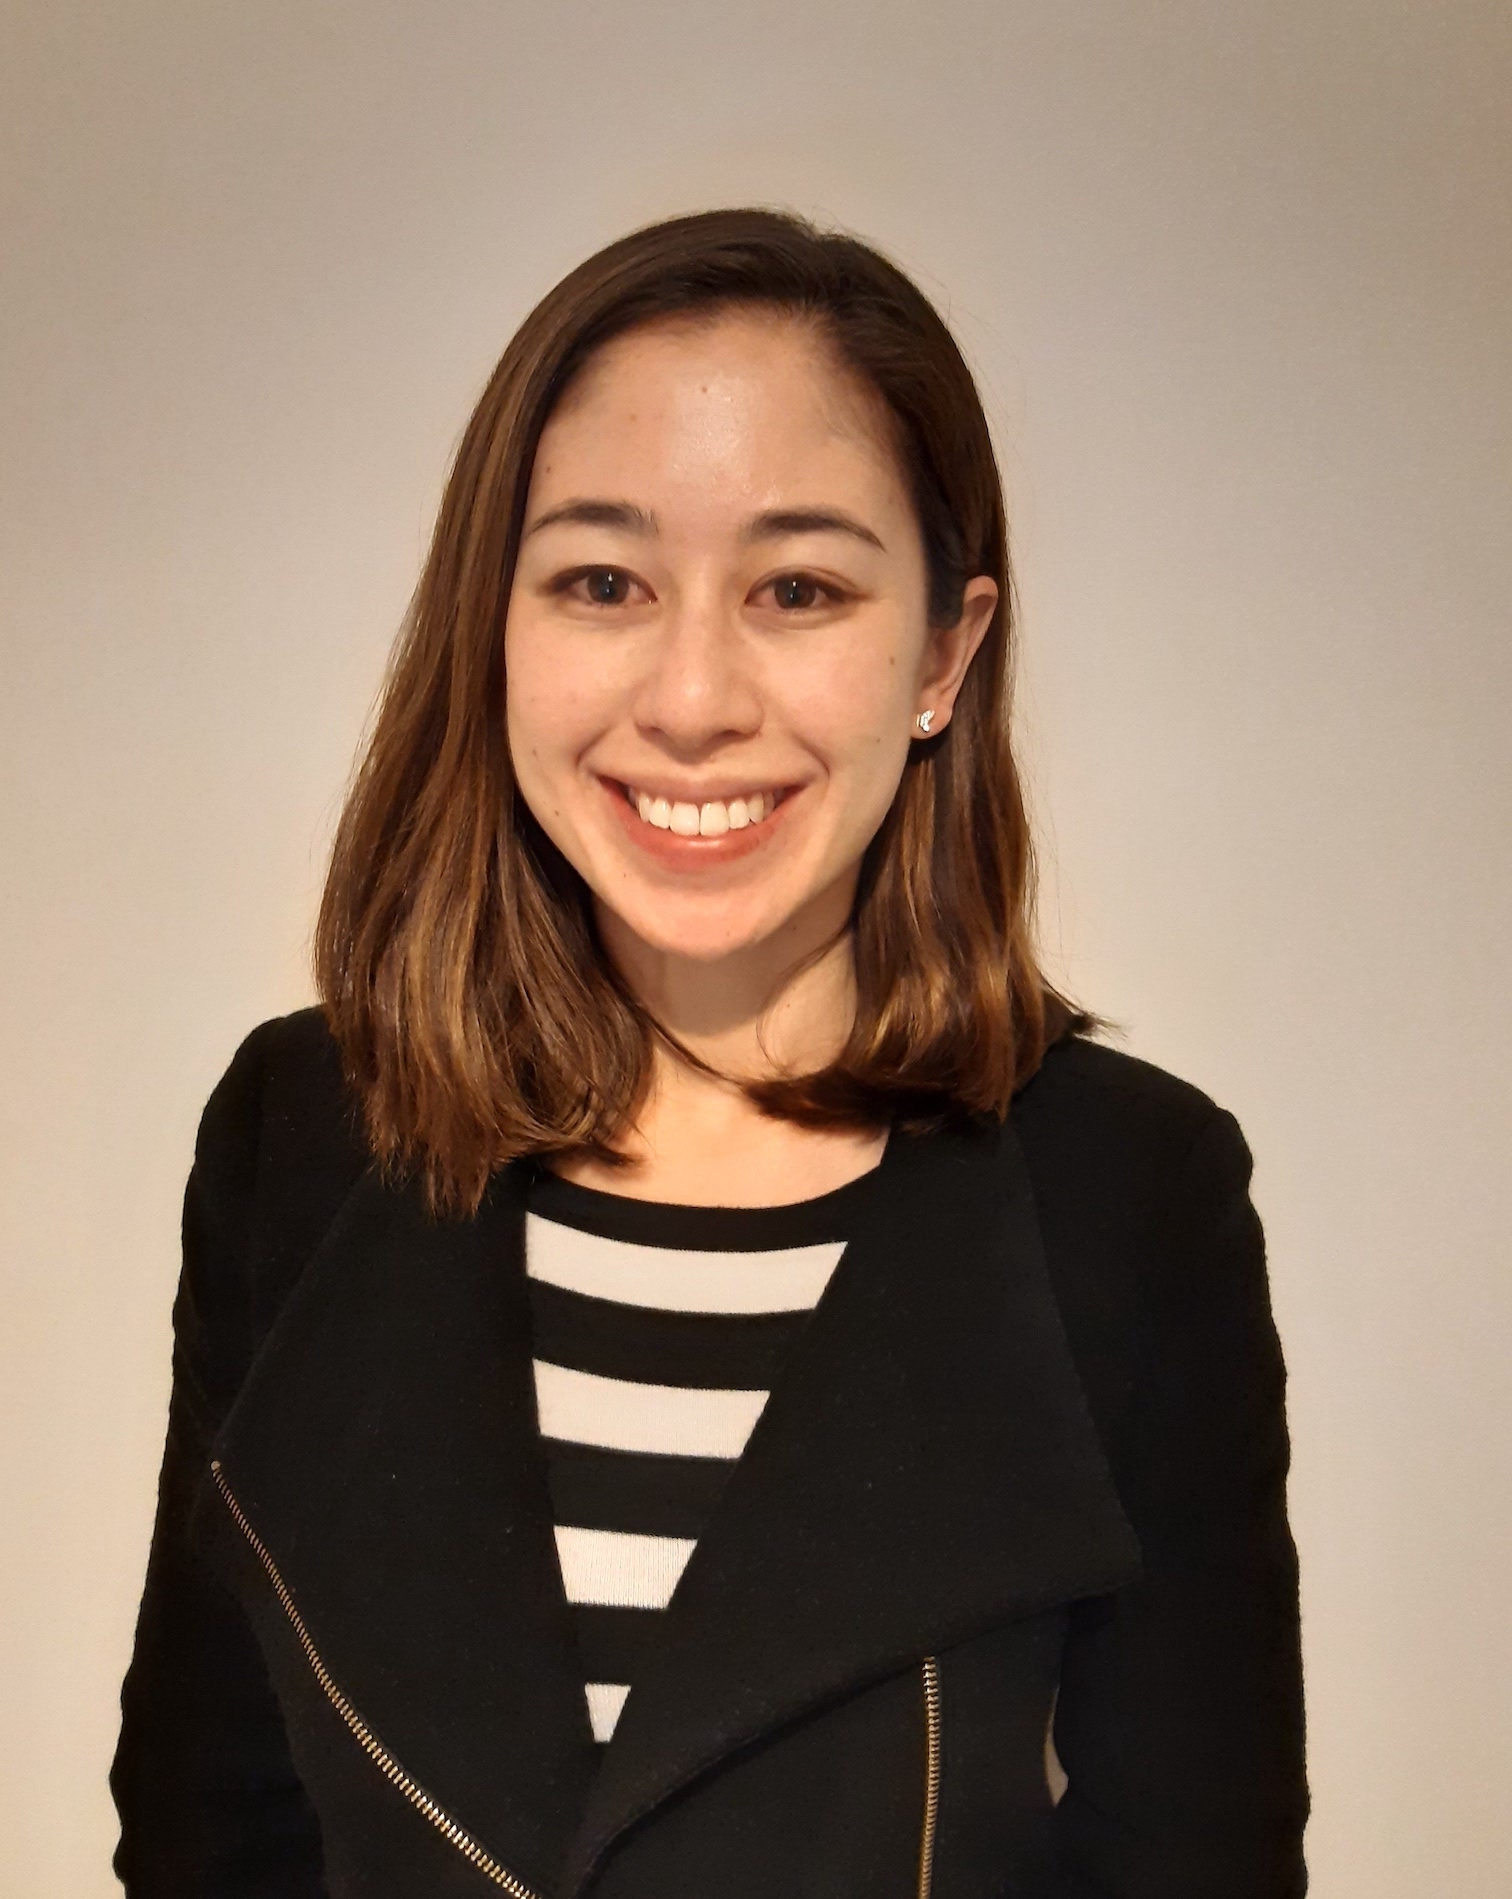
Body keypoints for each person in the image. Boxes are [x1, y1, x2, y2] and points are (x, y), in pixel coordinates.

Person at [110, 208, 1309, 1898]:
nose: (690, 699)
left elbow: (1198, 1869)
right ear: (494, 622)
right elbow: (208, 1840)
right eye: (602, 582)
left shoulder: (1131, 1192)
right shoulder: (300, 1137)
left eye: (798, 589)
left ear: (944, 654)